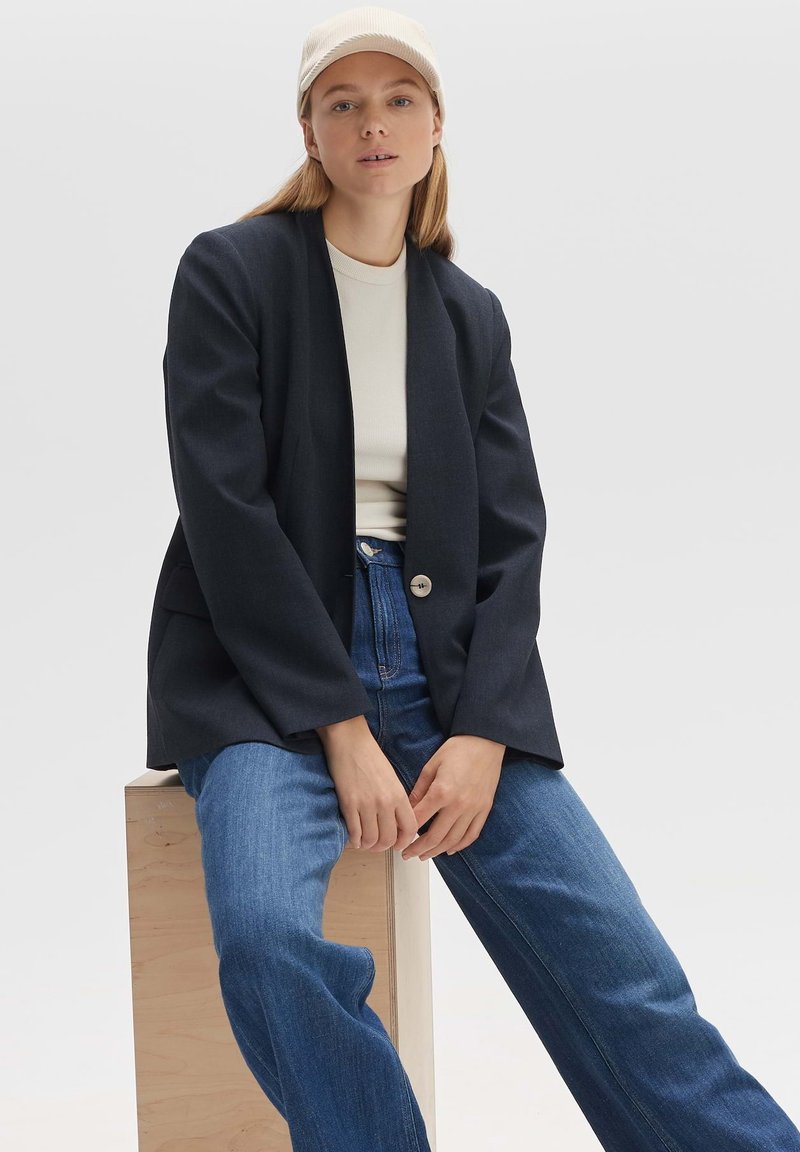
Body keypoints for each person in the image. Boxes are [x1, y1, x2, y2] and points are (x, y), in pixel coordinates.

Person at [146, 6, 800, 1150]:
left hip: (444, 670)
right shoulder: (231, 271)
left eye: (397, 99)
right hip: (265, 674)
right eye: (343, 102)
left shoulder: (466, 314)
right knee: (268, 939)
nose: (373, 123)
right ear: (308, 130)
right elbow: (226, 515)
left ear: (435, 125)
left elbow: (510, 537)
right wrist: (341, 726)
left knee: (626, 975)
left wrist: (486, 729)